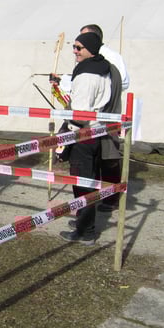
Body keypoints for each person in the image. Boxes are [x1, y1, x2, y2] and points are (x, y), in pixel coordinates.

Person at [56, 32, 122, 245]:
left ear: (90, 49)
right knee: (89, 180)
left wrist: (65, 140)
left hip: (83, 136)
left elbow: (81, 113)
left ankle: (86, 231)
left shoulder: (87, 75)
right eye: (74, 47)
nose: (75, 51)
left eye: (79, 47)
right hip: (96, 133)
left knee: (82, 184)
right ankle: (83, 221)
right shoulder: (103, 68)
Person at [79, 24, 128, 212]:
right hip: (90, 118)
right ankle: (93, 195)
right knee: (92, 158)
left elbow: (123, 81)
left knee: (109, 157)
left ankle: (110, 198)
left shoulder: (112, 58)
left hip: (107, 113)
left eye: (84, 38)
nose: (78, 46)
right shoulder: (86, 57)